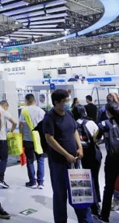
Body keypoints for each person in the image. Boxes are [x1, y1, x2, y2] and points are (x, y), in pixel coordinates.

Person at [43, 89, 93, 223]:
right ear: (56, 102)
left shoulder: (69, 114)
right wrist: (65, 154)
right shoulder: (50, 117)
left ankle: (85, 220)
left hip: (74, 161)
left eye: (68, 100)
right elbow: (49, 139)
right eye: (64, 101)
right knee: (60, 194)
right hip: (59, 162)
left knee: (79, 191)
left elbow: (74, 130)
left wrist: (80, 147)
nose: (67, 103)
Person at [73, 104, 102, 217]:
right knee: (94, 178)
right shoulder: (90, 123)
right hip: (93, 153)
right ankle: (96, 204)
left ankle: (88, 203)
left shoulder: (73, 124)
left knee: (86, 180)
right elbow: (100, 137)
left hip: (80, 154)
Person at [18, 93, 46, 189]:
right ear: (35, 100)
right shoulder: (41, 111)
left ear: (27, 101)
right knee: (40, 160)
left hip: (27, 139)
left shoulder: (24, 111)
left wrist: (21, 137)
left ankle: (32, 182)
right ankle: (40, 182)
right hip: (39, 139)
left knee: (30, 160)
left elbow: (21, 125)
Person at [0, 100, 17, 189]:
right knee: (4, 158)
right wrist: (11, 131)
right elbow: (14, 122)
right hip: (2, 138)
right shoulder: (3, 111)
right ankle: (0, 179)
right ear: (5, 106)